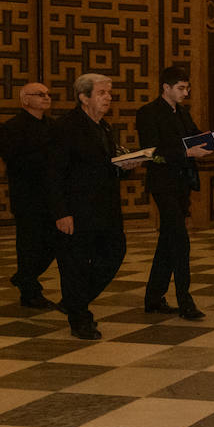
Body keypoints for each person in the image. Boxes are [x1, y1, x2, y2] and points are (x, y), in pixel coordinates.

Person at [48, 73, 138, 340]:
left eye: (109, 93)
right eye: (101, 93)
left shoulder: (104, 127)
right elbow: (53, 174)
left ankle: (75, 301)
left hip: (105, 208)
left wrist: (126, 167)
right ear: (83, 97)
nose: (108, 97)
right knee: (74, 264)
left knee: (114, 252)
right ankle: (80, 319)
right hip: (75, 210)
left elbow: (105, 167)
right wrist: (61, 212)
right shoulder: (65, 127)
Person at [136, 65, 212, 320]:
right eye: (180, 88)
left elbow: (193, 135)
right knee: (180, 240)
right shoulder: (147, 113)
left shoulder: (181, 112)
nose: (185, 93)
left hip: (181, 183)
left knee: (168, 240)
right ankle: (185, 300)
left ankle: (153, 297)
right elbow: (151, 152)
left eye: (187, 88)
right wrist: (188, 152)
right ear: (165, 88)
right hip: (163, 183)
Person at [0, 82, 57, 309]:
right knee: (29, 244)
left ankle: (24, 276)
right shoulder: (12, 127)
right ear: (25, 100)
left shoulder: (54, 126)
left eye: (48, 94)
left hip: (52, 195)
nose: (46, 97)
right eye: (40, 94)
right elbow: (14, 161)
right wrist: (47, 157)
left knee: (54, 242)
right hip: (27, 195)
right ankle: (29, 291)